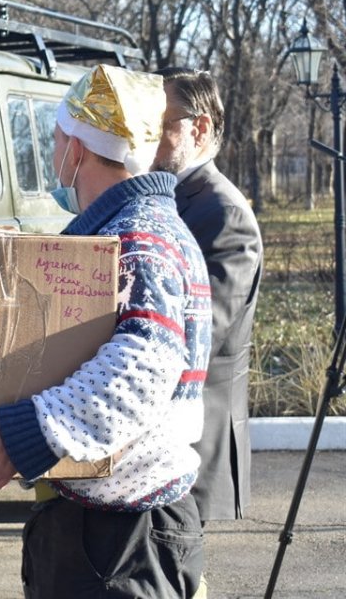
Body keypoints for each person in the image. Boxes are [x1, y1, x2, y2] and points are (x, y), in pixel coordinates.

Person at [0, 64, 212, 598]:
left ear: (77, 148)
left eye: (56, 139)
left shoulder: (139, 235)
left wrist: (27, 433)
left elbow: (145, 367)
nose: (52, 155)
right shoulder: (141, 227)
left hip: (120, 543)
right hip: (113, 535)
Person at [153, 67, 263, 523]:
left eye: (162, 124)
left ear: (198, 128)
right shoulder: (171, 199)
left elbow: (200, 333)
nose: (149, 137)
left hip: (197, 447)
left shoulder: (223, 212)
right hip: (164, 444)